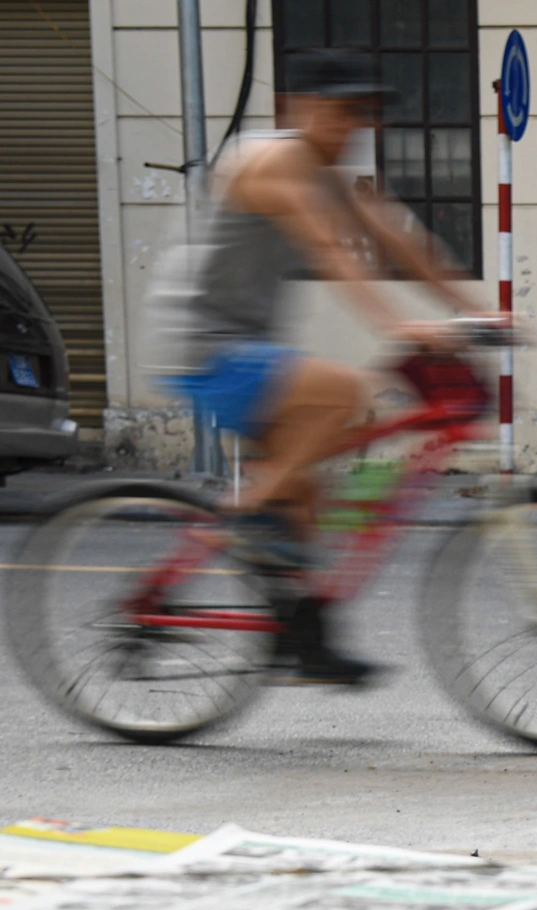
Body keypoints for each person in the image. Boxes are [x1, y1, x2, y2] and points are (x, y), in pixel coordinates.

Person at [159, 49, 482, 685]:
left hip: (245, 345)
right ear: (297, 110)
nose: (351, 127)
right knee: (346, 392)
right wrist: (400, 325)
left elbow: (399, 240)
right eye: (338, 113)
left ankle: (305, 641)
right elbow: (333, 253)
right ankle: (246, 510)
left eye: (359, 114)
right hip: (204, 345)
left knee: (305, 494)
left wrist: (480, 311)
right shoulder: (273, 163)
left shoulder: (329, 171)